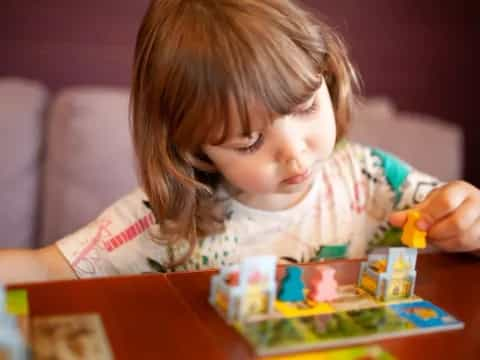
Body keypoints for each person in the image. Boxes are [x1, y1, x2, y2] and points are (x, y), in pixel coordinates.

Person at [1, 0, 479, 283]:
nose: (294, 152)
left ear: (327, 78)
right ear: (192, 148)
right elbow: (45, 269)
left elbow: (456, 218)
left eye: (306, 108)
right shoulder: (166, 219)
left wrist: (469, 221)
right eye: (248, 143)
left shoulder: (371, 177)